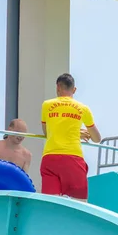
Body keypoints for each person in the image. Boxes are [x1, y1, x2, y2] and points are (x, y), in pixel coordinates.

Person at [40, 73, 101, 202]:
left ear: (57, 87)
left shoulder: (46, 105)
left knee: (49, 202)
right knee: (78, 204)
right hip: (73, 157)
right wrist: (77, 133)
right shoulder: (83, 108)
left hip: (50, 158)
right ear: (74, 89)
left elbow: (47, 133)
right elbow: (97, 139)